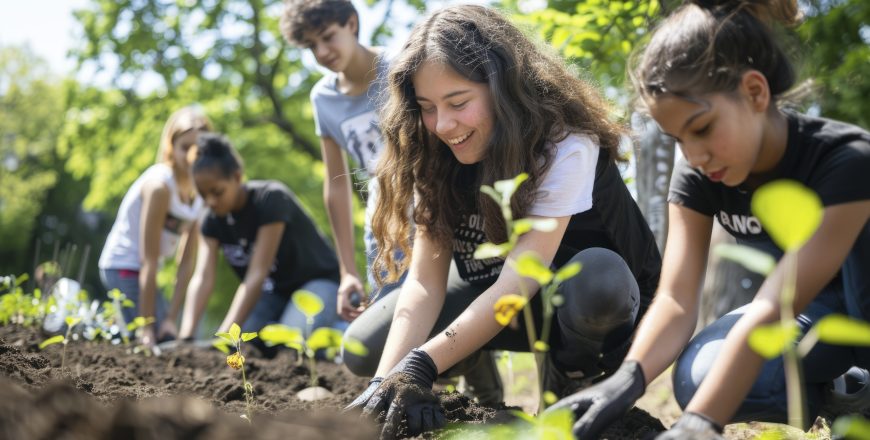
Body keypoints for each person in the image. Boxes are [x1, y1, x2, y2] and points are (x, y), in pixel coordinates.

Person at [547, 1, 870, 438]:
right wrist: (626, 380)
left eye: (702, 128)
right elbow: (677, 300)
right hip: (817, 320)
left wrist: (700, 423)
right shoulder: (700, 176)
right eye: (678, 138)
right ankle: (850, 394)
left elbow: (779, 302)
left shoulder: (847, 161)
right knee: (699, 377)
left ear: (755, 93)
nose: (694, 155)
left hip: (839, 308)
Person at [342, 5, 662, 437]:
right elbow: (424, 284)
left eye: (458, 103)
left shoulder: (564, 141)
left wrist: (423, 361)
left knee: (599, 281)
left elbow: (520, 282)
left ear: (503, 88)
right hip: (489, 285)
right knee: (363, 346)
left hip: (587, 301)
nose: (443, 124)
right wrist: (388, 380)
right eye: (427, 107)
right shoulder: (428, 150)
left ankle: (573, 376)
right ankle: (467, 366)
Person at [280, 0, 400, 320]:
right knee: (387, 325)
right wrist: (347, 271)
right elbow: (336, 185)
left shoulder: (399, 66)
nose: (321, 52)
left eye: (327, 36)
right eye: (311, 46)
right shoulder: (323, 98)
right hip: (382, 217)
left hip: (429, 200)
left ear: (351, 23)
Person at [177, 133, 344, 343]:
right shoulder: (211, 221)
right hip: (275, 294)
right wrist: (186, 335)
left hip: (319, 282)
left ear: (237, 177)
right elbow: (202, 277)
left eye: (217, 192)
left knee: (290, 343)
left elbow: (256, 274)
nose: (210, 201)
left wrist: (226, 337)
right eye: (203, 195)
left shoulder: (270, 199)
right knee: (250, 342)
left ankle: (342, 329)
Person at [98, 105, 210, 347]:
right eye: (185, 148)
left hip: (146, 271)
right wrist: (147, 328)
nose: (191, 155)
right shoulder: (159, 186)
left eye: (198, 149)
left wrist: (171, 318)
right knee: (150, 340)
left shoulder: (201, 192)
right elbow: (147, 259)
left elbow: (186, 262)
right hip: (123, 264)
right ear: (171, 146)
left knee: (167, 333)